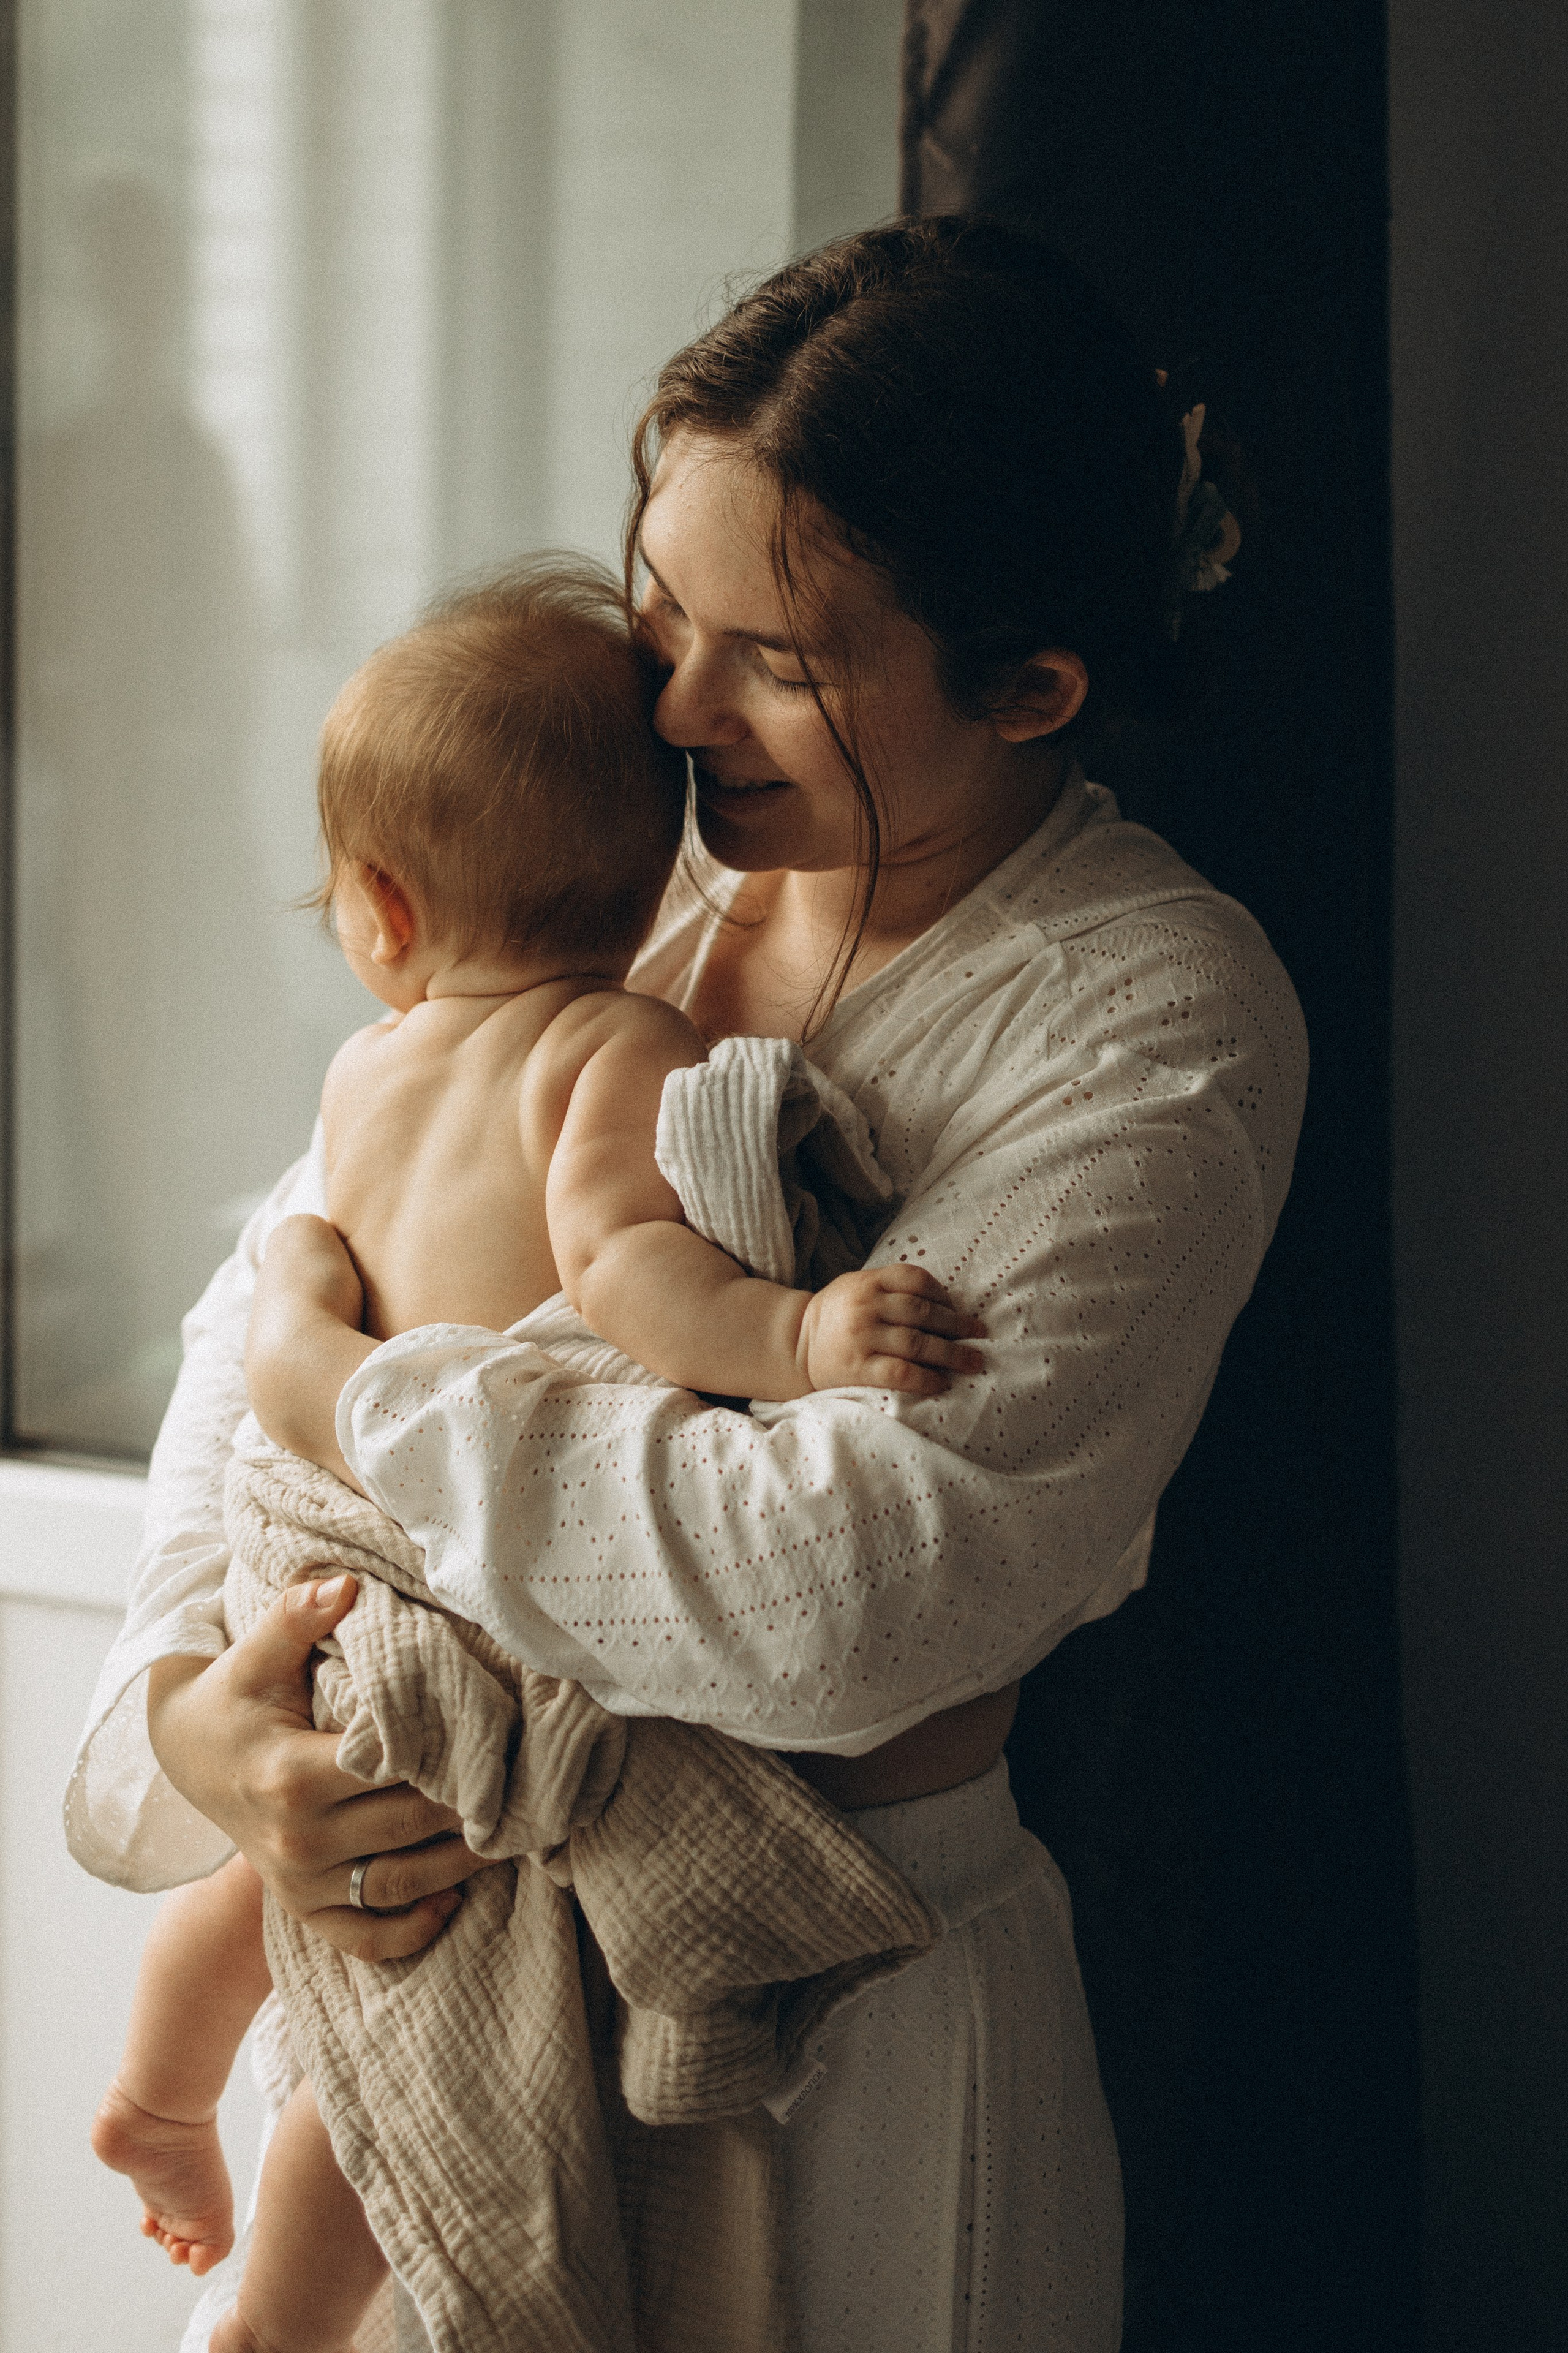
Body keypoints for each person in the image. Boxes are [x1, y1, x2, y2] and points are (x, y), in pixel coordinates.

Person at [68, 216, 1308, 2352]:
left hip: (843, 2022)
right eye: (663, 607)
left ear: (1031, 684)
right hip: (426, 1977)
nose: (668, 703)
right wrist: (217, 1707)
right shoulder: (623, 882)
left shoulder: (1146, 1017)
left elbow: (837, 1604)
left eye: (778, 658)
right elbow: (255, 1331)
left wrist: (354, 1402)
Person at [88, 562, 983, 2353]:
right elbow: (636, 1279)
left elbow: (311, 1272)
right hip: (457, 1592)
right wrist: (799, 1333)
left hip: (317, 1554)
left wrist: (300, 1332)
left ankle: (162, 2090)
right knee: (413, 1968)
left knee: (268, 1884)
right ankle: (280, 2305)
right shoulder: (617, 1043)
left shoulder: (367, 1066)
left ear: (385, 908)